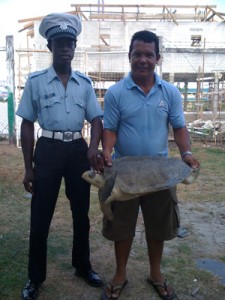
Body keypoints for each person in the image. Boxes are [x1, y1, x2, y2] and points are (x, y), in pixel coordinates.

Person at [101, 30, 200, 300]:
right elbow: (109, 128)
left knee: (159, 226)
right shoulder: (115, 93)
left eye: (148, 54)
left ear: (158, 58)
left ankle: (155, 273)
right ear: (129, 56)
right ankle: (120, 274)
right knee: (122, 227)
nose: (142, 59)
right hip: (125, 175)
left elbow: (179, 127)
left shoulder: (169, 92)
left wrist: (187, 153)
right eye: (137, 54)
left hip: (160, 174)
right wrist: (107, 152)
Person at [16, 12, 104, 300]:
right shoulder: (37, 81)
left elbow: (97, 119)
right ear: (49, 47)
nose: (65, 48)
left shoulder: (84, 83)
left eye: (70, 42)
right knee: (41, 216)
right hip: (49, 151)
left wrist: (92, 148)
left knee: (81, 213)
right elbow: (27, 123)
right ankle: (35, 278)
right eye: (59, 43)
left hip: (78, 150)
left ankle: (82, 265)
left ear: (75, 47)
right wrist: (28, 167)